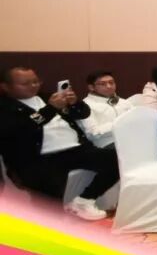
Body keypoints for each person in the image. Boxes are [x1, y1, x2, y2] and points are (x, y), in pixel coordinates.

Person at [0, 66, 120, 220]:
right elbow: (21, 129)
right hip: (39, 159)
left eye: (36, 81)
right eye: (25, 84)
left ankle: (83, 201)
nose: (33, 86)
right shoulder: (5, 107)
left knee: (117, 159)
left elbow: (83, 113)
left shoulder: (46, 97)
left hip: (74, 149)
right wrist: (50, 109)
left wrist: (74, 103)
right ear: (5, 87)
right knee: (50, 199)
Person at [79, 70, 134, 148]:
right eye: (102, 84)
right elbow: (92, 133)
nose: (109, 86)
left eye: (111, 82)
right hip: (108, 144)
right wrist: (119, 124)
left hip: (131, 139)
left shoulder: (124, 102)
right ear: (91, 87)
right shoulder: (85, 106)